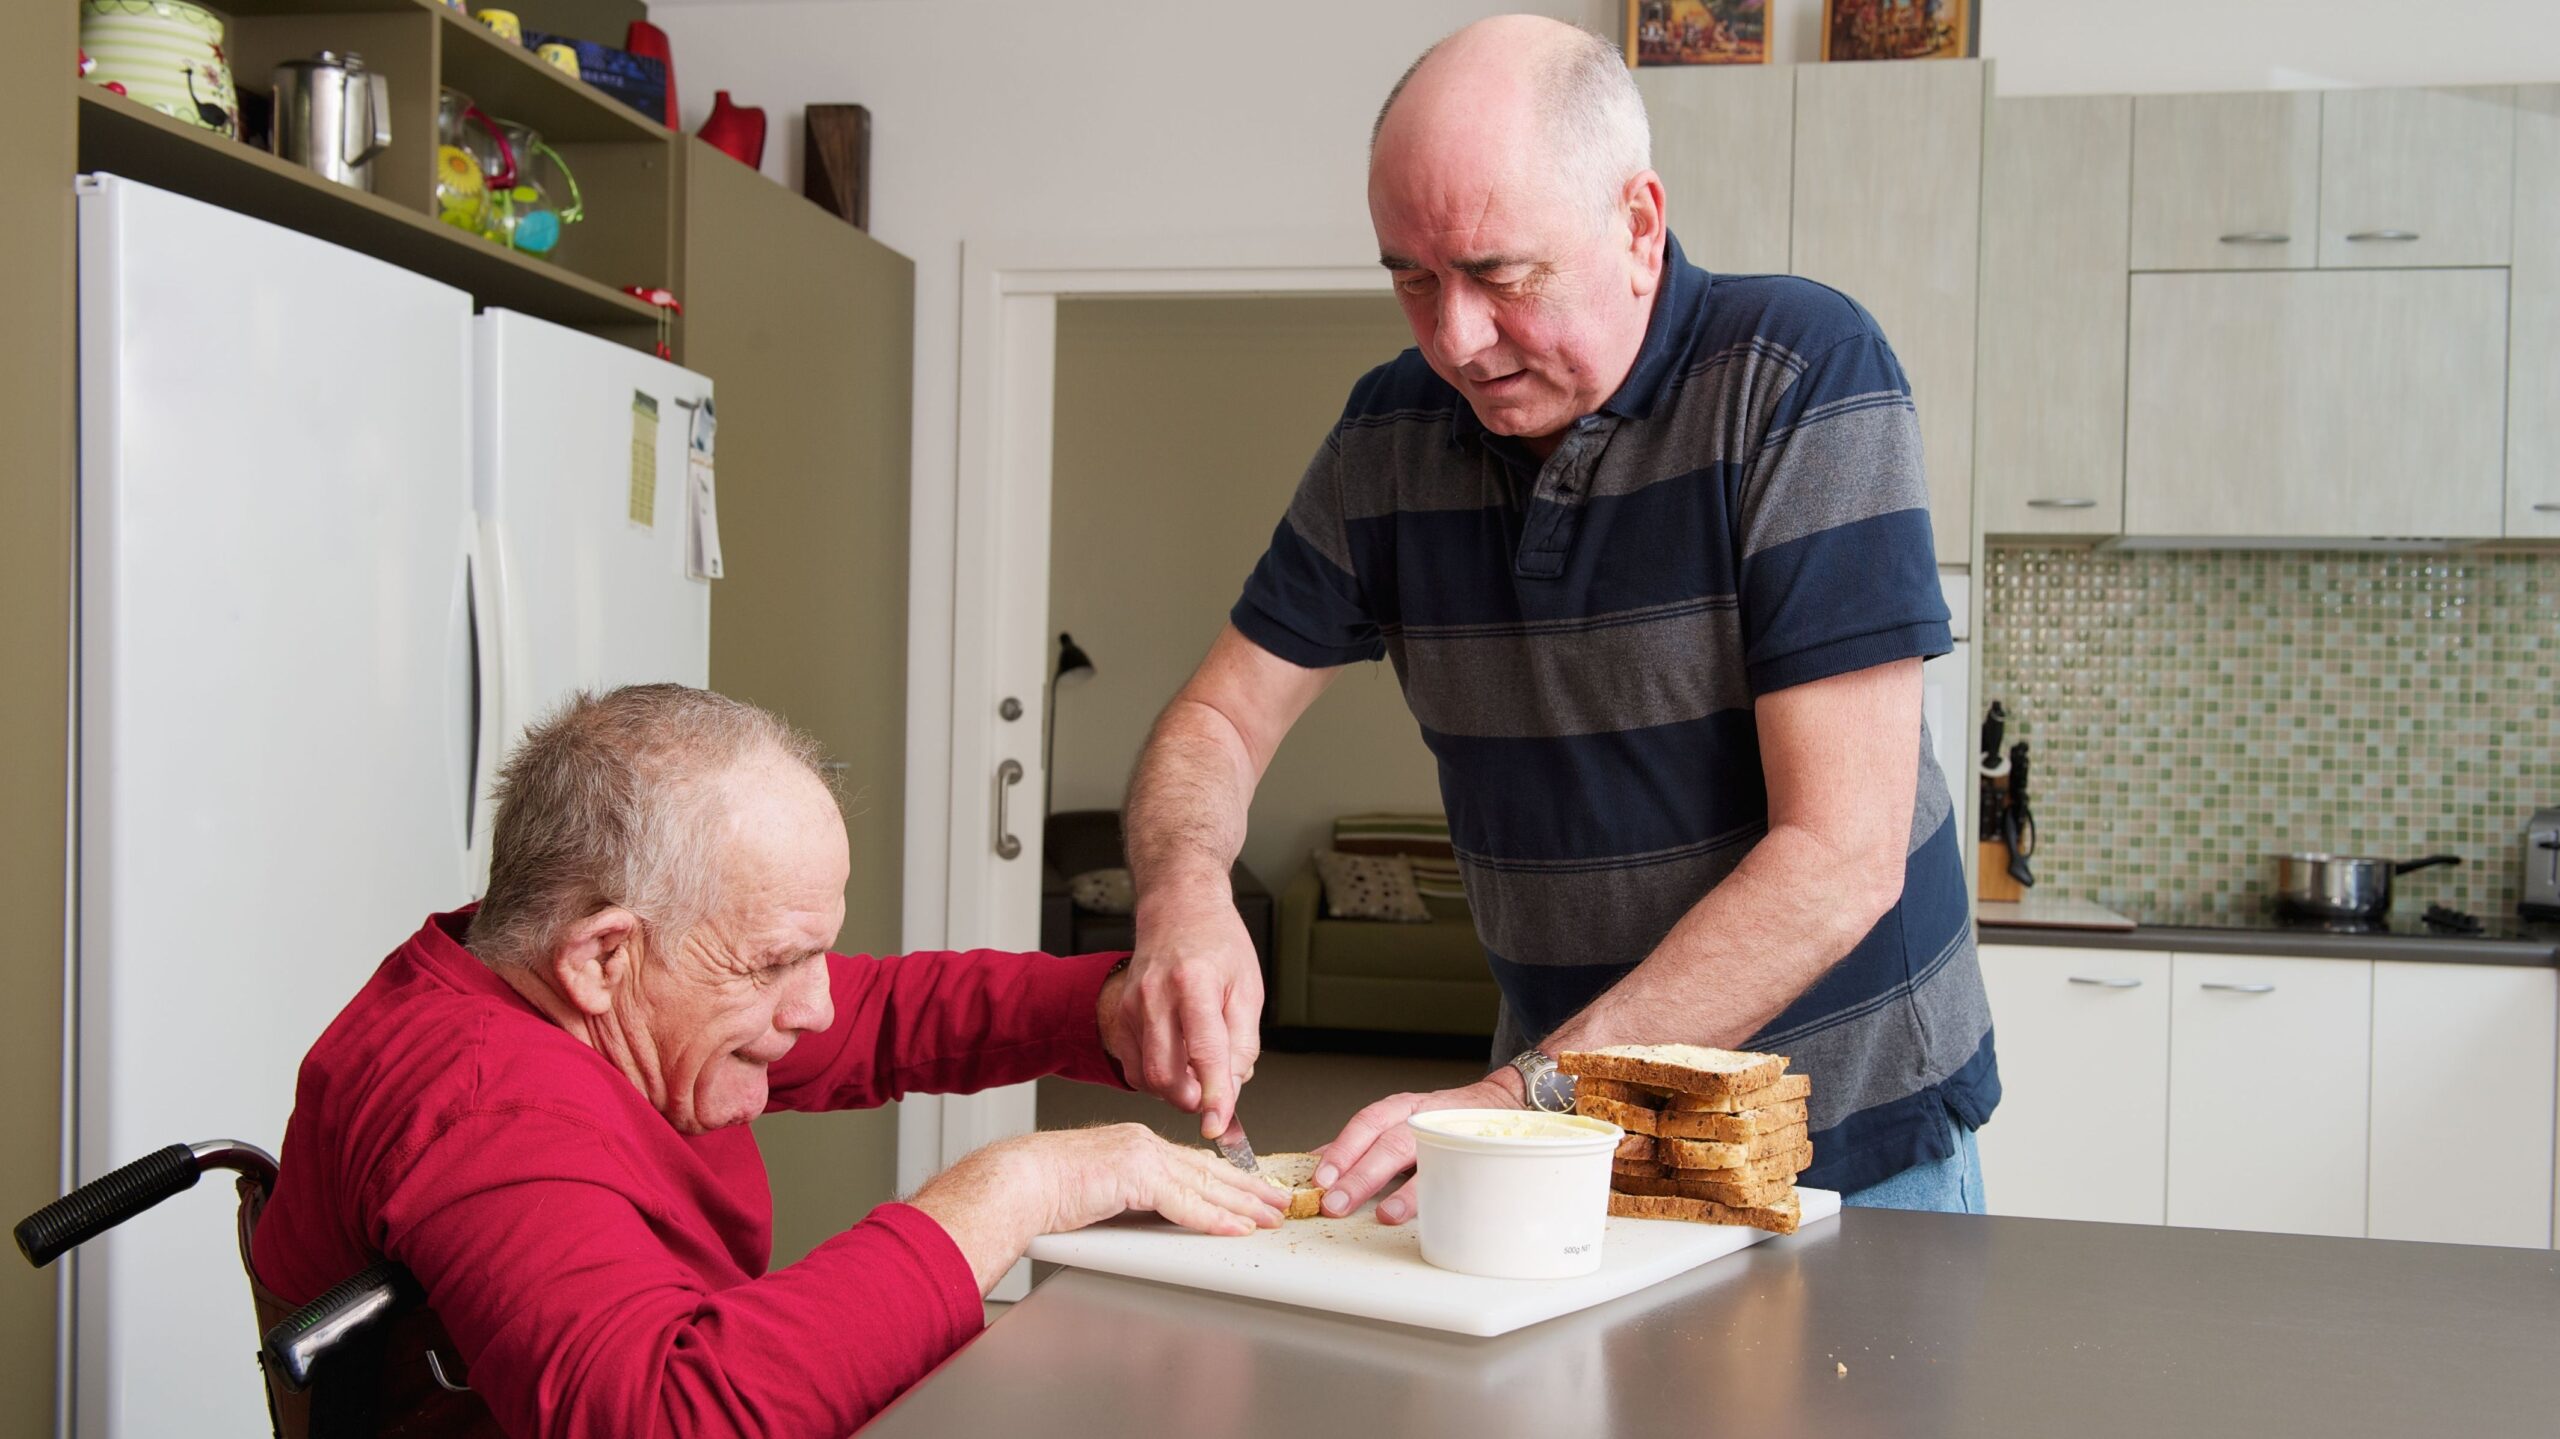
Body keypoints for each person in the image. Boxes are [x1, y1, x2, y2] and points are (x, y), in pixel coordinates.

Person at [1106, 15, 1996, 1223]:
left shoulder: (1798, 376)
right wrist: (1183, 892)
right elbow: (1219, 713)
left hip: (1836, 1141)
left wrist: (1522, 1096)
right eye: (1412, 280)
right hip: (1564, 1132)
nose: (1456, 338)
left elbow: (1839, 861)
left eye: (1500, 275)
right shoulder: (1387, 441)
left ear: (1637, 226)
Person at [250, 684, 1285, 1437]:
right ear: (604, 953)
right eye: (778, 959)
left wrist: (1114, 1007)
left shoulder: (575, 979)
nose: (821, 999)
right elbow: (667, 1416)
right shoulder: (480, 1098)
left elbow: (882, 1016)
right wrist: (1022, 1182)